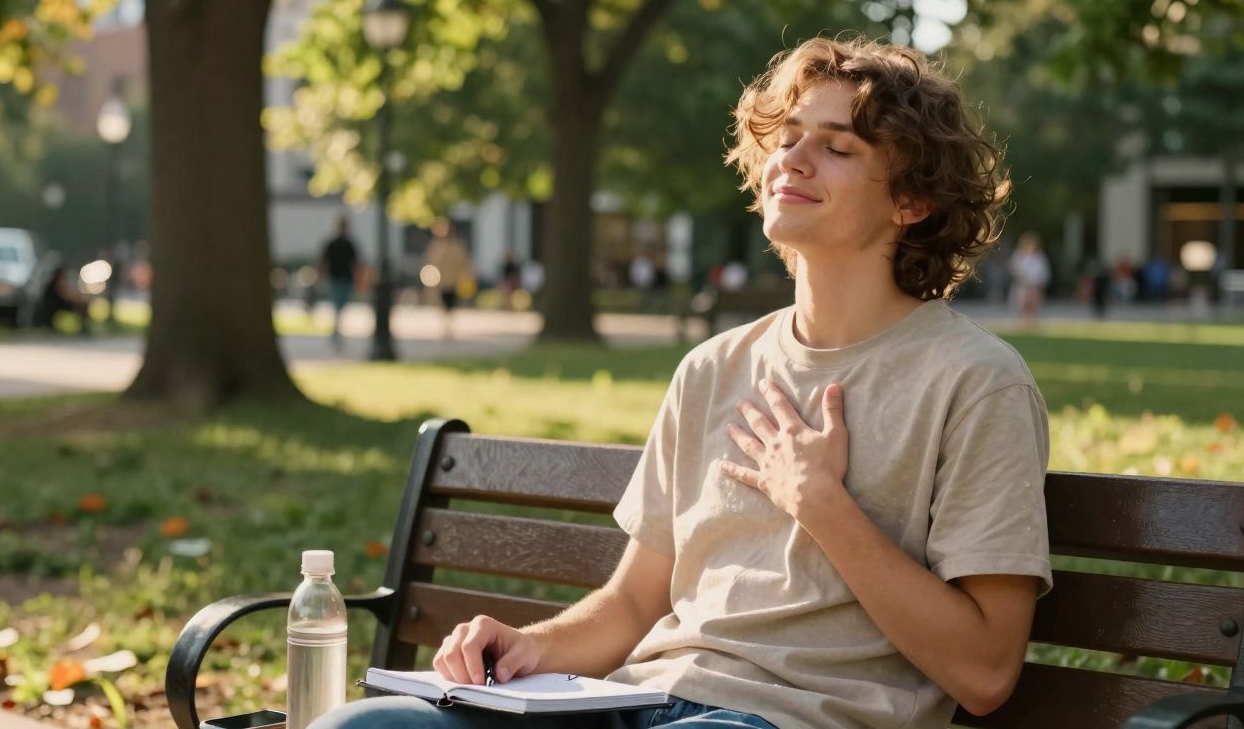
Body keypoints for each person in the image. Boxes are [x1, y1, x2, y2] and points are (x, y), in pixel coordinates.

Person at [315, 35, 1050, 729]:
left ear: (911, 202)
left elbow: (984, 672)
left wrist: (823, 504)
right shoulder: (714, 368)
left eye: (837, 147)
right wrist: (531, 645)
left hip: (784, 718)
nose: (792, 160)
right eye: (787, 137)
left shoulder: (974, 383)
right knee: (363, 724)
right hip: (631, 702)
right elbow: (635, 601)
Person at [423, 217, 471, 339]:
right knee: (443, 303)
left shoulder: (456, 246)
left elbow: (463, 262)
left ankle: (449, 326)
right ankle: (446, 326)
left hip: (453, 281)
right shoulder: (436, 246)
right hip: (440, 281)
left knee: (450, 303)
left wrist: (465, 276)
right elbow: (430, 263)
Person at [319, 215, 359, 350]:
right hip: (336, 278)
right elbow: (323, 261)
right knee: (338, 305)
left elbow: (355, 263)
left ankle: (337, 328)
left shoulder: (348, 244)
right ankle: (337, 329)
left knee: (341, 305)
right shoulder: (334, 243)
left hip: (345, 279)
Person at [1006, 232, 1050, 324]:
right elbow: (1013, 269)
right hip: (1022, 284)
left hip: (1035, 285)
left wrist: (1039, 283)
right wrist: (1021, 279)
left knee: (1034, 303)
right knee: (1022, 303)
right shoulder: (1018, 255)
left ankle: (1033, 320)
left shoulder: (1040, 256)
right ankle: (1023, 320)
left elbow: (1043, 272)